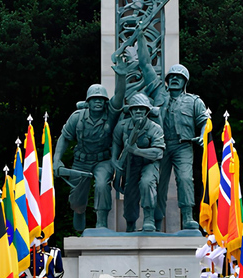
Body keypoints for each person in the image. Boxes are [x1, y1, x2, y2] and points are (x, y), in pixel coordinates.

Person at [135, 34, 209, 230]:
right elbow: (145, 65)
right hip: (160, 146)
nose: (175, 79)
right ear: (167, 80)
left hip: (183, 145)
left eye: (179, 77)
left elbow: (205, 120)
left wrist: (202, 135)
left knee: (185, 179)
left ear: (185, 81)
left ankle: (187, 218)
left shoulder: (194, 101)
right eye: (172, 77)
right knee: (157, 183)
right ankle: (151, 220)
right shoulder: (159, 92)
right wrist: (141, 36)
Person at [54, 58, 127, 231]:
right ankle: (79, 211)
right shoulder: (77, 117)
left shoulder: (110, 115)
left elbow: (119, 97)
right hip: (82, 161)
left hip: (103, 160)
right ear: (88, 101)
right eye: (94, 99)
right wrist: (57, 160)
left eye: (101, 99)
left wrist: (122, 77)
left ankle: (101, 221)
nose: (98, 102)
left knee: (102, 184)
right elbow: (64, 138)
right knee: (77, 199)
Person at [111, 93, 165, 232]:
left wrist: (136, 150)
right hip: (131, 164)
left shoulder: (155, 128)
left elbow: (158, 153)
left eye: (142, 109)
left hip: (149, 163)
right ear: (130, 111)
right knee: (130, 194)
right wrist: (114, 160)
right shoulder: (122, 126)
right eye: (135, 109)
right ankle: (130, 224)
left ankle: (149, 219)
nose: (139, 111)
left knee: (147, 183)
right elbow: (116, 144)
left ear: (147, 111)